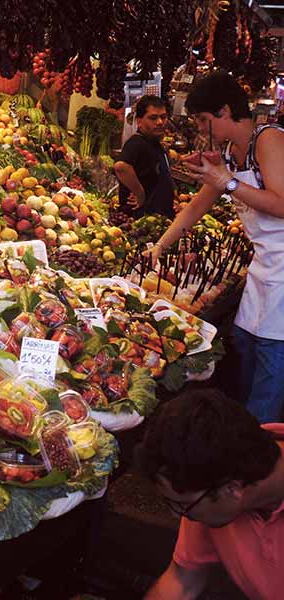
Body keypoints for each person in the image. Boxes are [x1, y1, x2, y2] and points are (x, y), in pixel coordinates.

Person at [148, 71, 284, 424]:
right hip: (262, 271)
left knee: (271, 368)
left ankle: (258, 457)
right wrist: (160, 246)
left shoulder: (267, 139)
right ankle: (239, 437)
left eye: (204, 120)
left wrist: (228, 182)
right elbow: (197, 206)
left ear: (225, 111)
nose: (201, 128)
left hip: (283, 273)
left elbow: (282, 203)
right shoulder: (229, 152)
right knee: (244, 352)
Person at [138, 388, 284, 600]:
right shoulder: (210, 473)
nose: (177, 514)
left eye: (181, 506)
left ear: (232, 490)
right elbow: (182, 582)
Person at [114, 95, 175, 218]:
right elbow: (121, 166)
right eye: (153, 118)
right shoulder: (136, 143)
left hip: (157, 218)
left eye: (163, 117)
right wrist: (139, 192)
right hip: (141, 220)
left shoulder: (153, 142)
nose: (160, 122)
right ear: (139, 121)